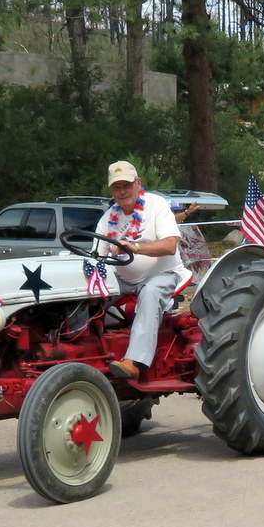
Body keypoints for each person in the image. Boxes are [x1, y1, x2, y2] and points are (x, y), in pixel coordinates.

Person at [95, 161, 192, 379]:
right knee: (90, 293)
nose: (122, 191)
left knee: (150, 292)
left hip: (163, 274)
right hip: (122, 280)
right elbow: (97, 258)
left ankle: (135, 361)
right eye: (116, 187)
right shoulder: (108, 218)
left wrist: (136, 247)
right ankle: (81, 345)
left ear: (138, 183)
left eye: (126, 185)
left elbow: (170, 245)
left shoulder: (156, 205)